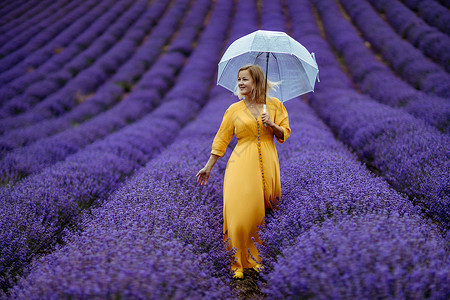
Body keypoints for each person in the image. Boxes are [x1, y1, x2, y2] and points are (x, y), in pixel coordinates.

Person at [196, 64, 291, 279]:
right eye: (239, 79)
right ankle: (236, 261)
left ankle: (255, 259)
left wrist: (273, 125)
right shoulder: (233, 110)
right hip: (240, 163)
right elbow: (221, 139)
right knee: (240, 213)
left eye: (245, 79)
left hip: (268, 161)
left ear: (256, 81)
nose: (240, 83)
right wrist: (208, 167)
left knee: (260, 214)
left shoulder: (275, 106)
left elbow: (284, 134)